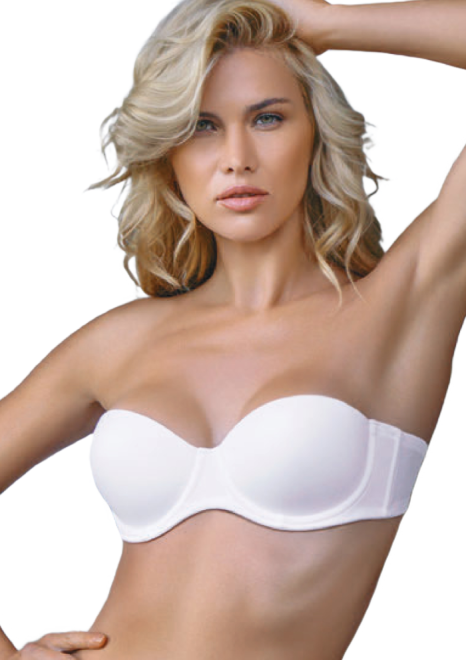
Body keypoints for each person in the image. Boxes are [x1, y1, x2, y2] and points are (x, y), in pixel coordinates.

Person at [1, 0, 465, 658]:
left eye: (268, 118)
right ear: (168, 152)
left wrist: (329, 24)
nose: (237, 158)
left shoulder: (403, 303)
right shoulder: (118, 342)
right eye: (202, 127)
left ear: (316, 133)